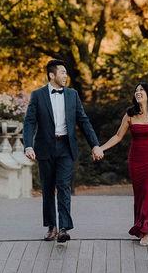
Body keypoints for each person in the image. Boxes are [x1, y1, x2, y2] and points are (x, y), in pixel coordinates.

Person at [23, 59, 103, 243]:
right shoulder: (37, 95)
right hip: (45, 148)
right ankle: (52, 226)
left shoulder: (72, 95)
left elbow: (83, 120)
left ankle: (64, 228)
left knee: (64, 186)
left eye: (66, 73)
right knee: (48, 188)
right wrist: (28, 145)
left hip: (66, 147)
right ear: (52, 75)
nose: (66, 76)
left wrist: (95, 144)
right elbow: (29, 122)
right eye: (62, 72)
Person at [97, 81, 148, 246]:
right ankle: (140, 225)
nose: (138, 92)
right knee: (139, 193)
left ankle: (147, 230)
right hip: (135, 159)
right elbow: (118, 136)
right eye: (136, 90)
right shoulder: (129, 114)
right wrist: (101, 148)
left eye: (142, 90)